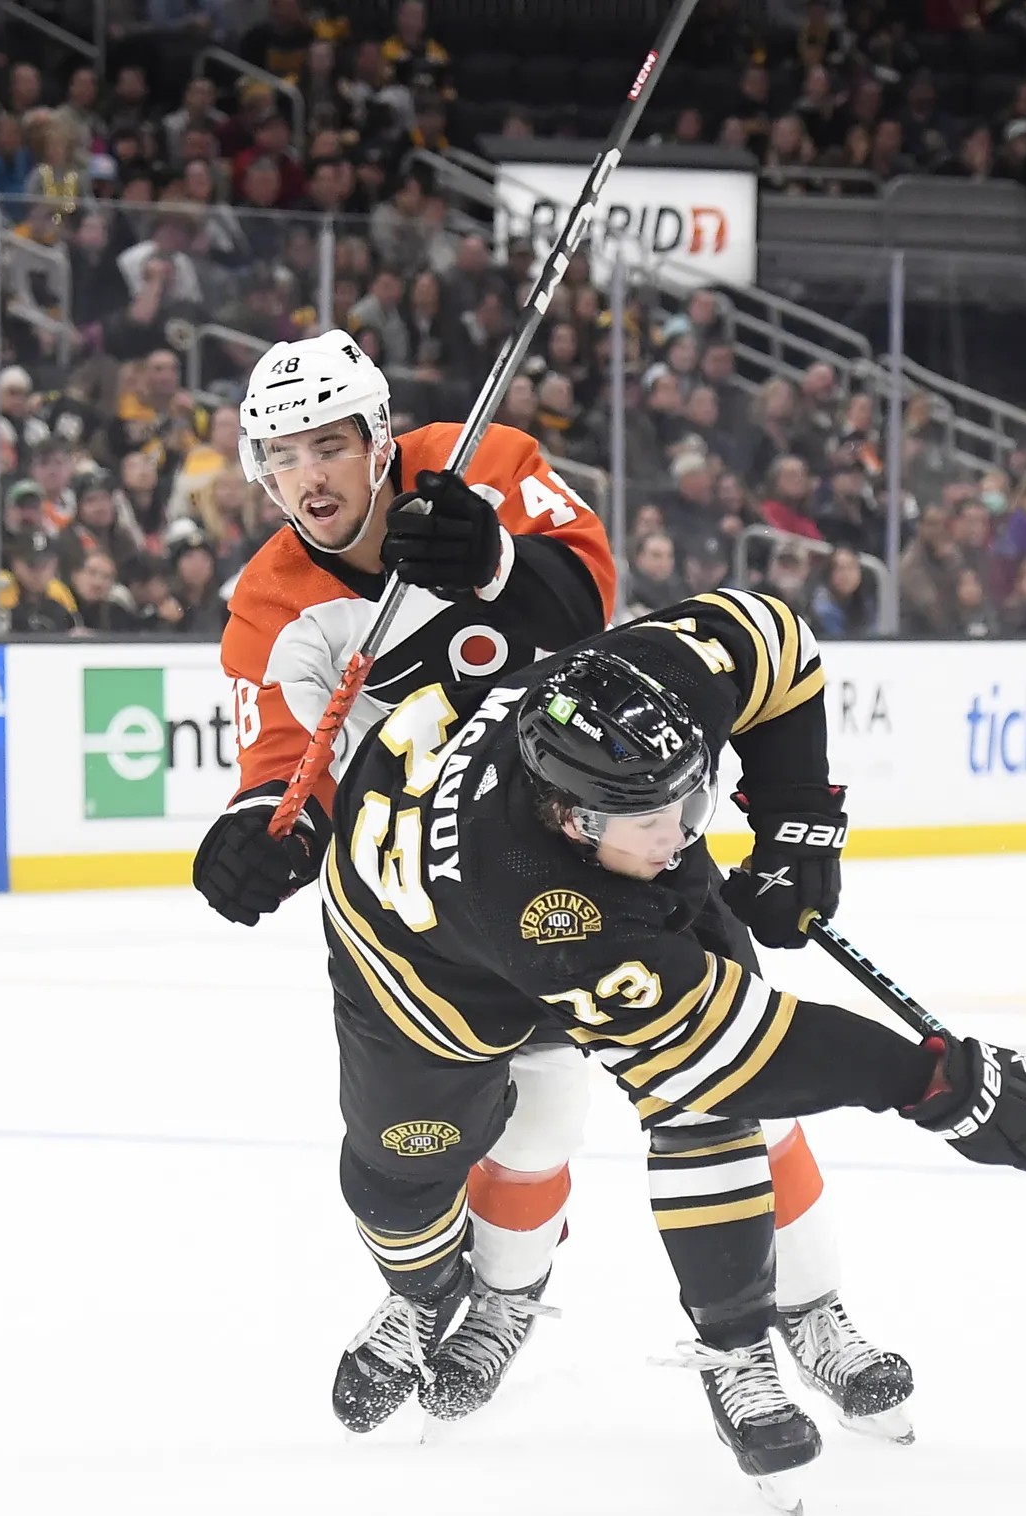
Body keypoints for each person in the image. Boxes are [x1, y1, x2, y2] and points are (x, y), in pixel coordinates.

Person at [194, 334, 916, 1447]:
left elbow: (591, 620)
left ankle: (810, 1310)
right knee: (528, 1107)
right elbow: (289, 779)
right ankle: (489, 1297)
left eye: (331, 444)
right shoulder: (270, 607)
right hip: (449, 901)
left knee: (730, 1081)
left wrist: (491, 565)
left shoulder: (487, 462)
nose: (311, 478)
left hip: (616, 837)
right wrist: (255, 844)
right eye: (283, 456)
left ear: (379, 439)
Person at [315, 589, 1026, 1500]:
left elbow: (774, 641)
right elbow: (732, 1045)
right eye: (653, 824)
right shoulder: (546, 909)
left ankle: (763, 1331)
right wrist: (932, 1084)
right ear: (572, 820)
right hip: (415, 969)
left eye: (691, 803)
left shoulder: (648, 701)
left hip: (573, 892)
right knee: (414, 1173)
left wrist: (796, 819)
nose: (684, 839)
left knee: (718, 1105)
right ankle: (434, 1290)